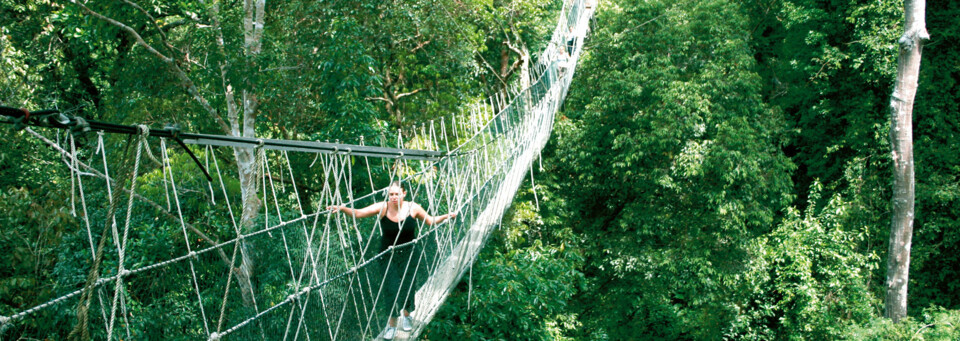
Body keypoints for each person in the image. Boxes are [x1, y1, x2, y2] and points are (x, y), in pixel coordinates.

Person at [328, 181, 456, 340]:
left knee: (408, 285)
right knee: (391, 288)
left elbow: (430, 220)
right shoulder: (383, 207)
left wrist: (446, 216)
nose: (394, 197)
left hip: (409, 253)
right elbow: (359, 213)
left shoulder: (413, 208)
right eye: (391, 194)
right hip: (388, 255)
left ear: (404, 193)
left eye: (397, 193)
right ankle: (392, 324)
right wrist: (342, 209)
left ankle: (407, 315)